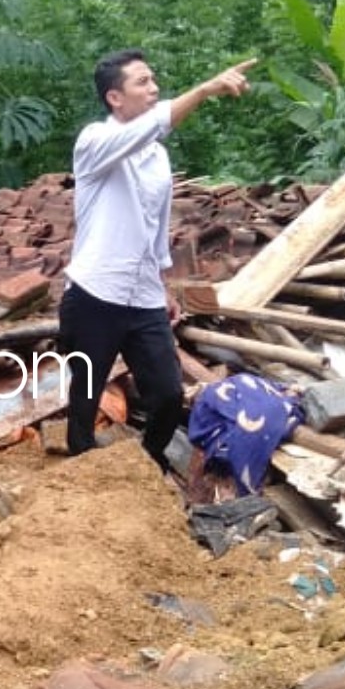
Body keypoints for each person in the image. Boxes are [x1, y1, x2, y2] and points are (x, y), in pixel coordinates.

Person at [62, 50, 257, 464]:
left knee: (167, 393)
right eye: (142, 83)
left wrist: (162, 283)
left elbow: (153, 225)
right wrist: (205, 90)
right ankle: (81, 470)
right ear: (115, 98)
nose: (153, 89)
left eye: (154, 81)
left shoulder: (157, 157)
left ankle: (144, 464)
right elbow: (155, 124)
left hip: (144, 294)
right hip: (96, 291)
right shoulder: (95, 142)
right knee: (86, 393)